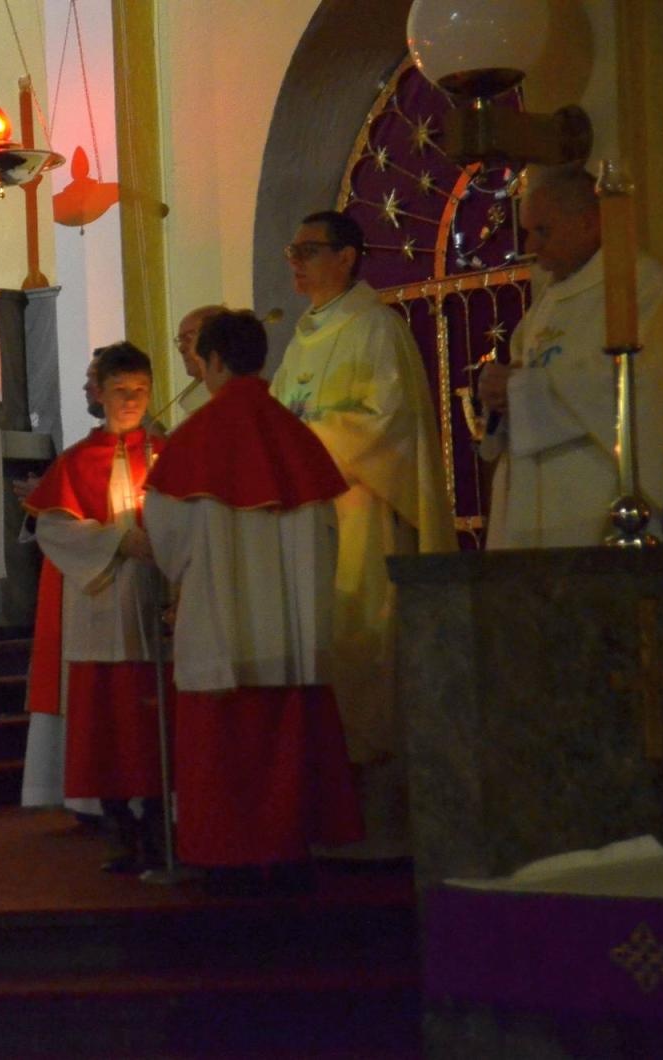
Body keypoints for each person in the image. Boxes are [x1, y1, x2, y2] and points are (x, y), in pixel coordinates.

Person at [144, 310, 363, 893]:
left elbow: (168, 540)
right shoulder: (298, 438)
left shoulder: (193, 440)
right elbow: (327, 533)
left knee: (221, 756)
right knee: (287, 748)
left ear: (214, 362)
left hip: (220, 629)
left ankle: (222, 855)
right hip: (289, 635)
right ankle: (286, 850)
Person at [270, 209, 454, 856]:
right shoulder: (302, 339)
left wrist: (304, 440)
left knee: (367, 661)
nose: (295, 260)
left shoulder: (376, 329)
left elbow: (391, 427)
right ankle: (333, 816)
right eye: (293, 249)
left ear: (347, 257)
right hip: (310, 527)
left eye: (309, 249)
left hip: (362, 525)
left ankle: (382, 827)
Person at [22, 341, 168, 872]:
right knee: (106, 725)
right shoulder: (79, 461)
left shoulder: (167, 452)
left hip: (153, 599)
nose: (131, 400)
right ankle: (119, 828)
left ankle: (157, 822)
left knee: (151, 725)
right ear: (100, 394)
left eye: (141, 391)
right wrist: (114, 543)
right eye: (120, 391)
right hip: (101, 605)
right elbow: (54, 527)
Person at [479, 163, 663, 547]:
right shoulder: (549, 300)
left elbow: (642, 385)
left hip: (598, 504)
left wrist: (520, 390)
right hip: (534, 501)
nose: (531, 248)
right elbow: (527, 373)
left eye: (542, 231)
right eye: (528, 232)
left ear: (589, 222)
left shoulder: (640, 284)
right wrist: (499, 394)